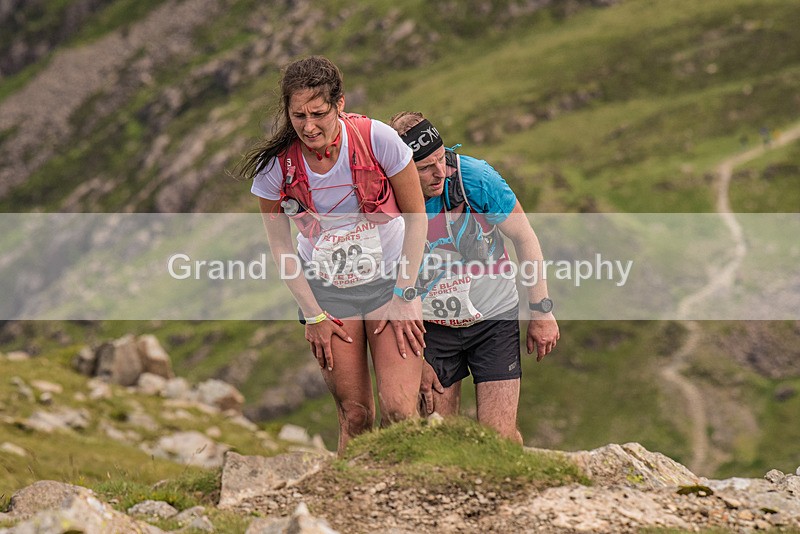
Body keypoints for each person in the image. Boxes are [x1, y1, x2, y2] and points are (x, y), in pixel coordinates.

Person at [239, 57, 427, 454]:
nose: (309, 127)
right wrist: (313, 316)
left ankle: (401, 487)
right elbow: (281, 247)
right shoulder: (275, 169)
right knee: (356, 416)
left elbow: (417, 218)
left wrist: (406, 294)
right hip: (328, 292)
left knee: (400, 412)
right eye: (299, 116)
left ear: (340, 104)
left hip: (391, 282)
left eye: (319, 114)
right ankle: (350, 492)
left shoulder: (378, 139)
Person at [389, 111, 560, 444]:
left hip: (493, 319)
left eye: (441, 159)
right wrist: (416, 360)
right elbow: (383, 279)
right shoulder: (387, 196)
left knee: (499, 438)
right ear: (401, 169)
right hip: (431, 330)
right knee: (439, 437)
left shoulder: (475, 178)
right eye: (425, 168)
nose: (440, 173)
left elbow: (524, 236)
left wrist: (541, 310)